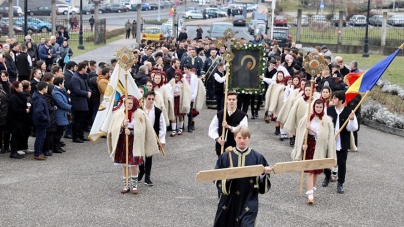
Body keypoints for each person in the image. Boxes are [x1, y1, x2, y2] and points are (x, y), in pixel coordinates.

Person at [214, 126, 272, 227]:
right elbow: (215, 176)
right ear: (235, 138)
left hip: (249, 197)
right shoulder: (226, 156)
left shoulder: (257, 157)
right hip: (229, 199)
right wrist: (227, 179)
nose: (242, 141)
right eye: (239, 138)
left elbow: (264, 180)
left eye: (245, 138)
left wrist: (263, 174)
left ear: (249, 139)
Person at [107, 95, 159, 194]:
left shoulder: (140, 114)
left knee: (133, 164)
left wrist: (131, 132)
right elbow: (113, 128)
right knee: (124, 165)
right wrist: (122, 125)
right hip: (123, 140)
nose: (128, 105)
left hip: (134, 141)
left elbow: (143, 130)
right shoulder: (119, 114)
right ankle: (126, 185)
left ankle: (134, 186)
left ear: (134, 103)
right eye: (126, 103)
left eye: (130, 103)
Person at [291, 99, 336, 204]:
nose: (318, 109)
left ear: (323, 108)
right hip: (309, 145)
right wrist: (303, 143)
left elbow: (325, 137)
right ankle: (310, 194)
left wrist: (312, 129)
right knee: (310, 170)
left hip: (319, 147)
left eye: (320, 107)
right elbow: (301, 132)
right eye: (317, 107)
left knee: (316, 171)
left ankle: (313, 188)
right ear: (314, 107)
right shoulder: (308, 118)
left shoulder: (326, 120)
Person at [322, 91, 358, 194]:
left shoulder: (349, 112)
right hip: (330, 139)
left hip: (342, 141)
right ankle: (327, 177)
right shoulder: (328, 110)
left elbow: (353, 128)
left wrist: (351, 120)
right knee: (327, 160)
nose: (332, 100)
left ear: (341, 100)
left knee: (342, 163)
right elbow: (323, 124)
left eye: (335, 98)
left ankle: (340, 183)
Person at [138, 91, 167, 186]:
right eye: (149, 99)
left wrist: (162, 140)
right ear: (144, 99)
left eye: (152, 99)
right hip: (141, 136)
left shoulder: (158, 111)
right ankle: (142, 170)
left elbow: (162, 126)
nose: (150, 101)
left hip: (152, 137)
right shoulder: (140, 110)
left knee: (149, 156)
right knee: (140, 155)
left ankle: (147, 177)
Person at [209, 91, 248, 157]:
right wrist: (218, 139)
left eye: (233, 99)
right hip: (222, 146)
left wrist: (229, 127)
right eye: (229, 99)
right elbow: (212, 129)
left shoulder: (242, 115)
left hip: (236, 146)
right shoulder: (220, 114)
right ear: (226, 100)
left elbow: (244, 131)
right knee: (222, 165)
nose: (231, 101)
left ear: (236, 100)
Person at [8, 81, 30, 159]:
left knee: (18, 135)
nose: (22, 88)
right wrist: (24, 110)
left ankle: (16, 150)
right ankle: (13, 152)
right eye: (20, 87)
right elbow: (14, 110)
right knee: (15, 136)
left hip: (21, 119)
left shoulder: (20, 95)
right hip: (15, 120)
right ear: (16, 88)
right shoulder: (13, 97)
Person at [70, 62, 91, 143]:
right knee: (78, 120)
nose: (86, 69)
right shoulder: (75, 78)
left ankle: (81, 135)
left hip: (84, 101)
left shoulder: (83, 77)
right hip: (78, 102)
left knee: (82, 120)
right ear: (82, 69)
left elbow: (87, 87)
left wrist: (89, 91)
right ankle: (76, 137)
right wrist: (87, 93)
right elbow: (77, 90)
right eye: (86, 68)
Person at [168, 69, 191, 136]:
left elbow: (187, 91)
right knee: (173, 115)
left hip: (181, 100)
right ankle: (174, 130)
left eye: (178, 76)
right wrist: (173, 94)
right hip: (173, 100)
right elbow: (168, 89)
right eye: (176, 76)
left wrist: (179, 94)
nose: (177, 77)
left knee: (180, 114)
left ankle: (180, 128)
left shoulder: (183, 81)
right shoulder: (172, 81)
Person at [31, 82, 50, 160]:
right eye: (46, 87)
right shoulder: (40, 99)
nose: (47, 89)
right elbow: (39, 113)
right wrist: (46, 118)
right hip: (41, 122)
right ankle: (37, 153)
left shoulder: (39, 97)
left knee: (42, 137)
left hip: (40, 122)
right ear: (43, 88)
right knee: (40, 137)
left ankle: (39, 152)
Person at [53, 77, 71, 154]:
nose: (64, 84)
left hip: (62, 113)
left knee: (60, 132)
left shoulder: (60, 91)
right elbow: (61, 103)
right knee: (58, 132)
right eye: (63, 83)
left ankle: (58, 146)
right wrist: (70, 106)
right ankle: (55, 147)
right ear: (59, 84)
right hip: (59, 114)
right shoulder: (56, 93)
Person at [42, 84, 58, 156]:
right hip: (49, 118)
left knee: (50, 135)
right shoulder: (47, 98)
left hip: (51, 118)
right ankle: (46, 150)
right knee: (48, 135)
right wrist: (54, 108)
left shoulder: (49, 97)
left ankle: (48, 149)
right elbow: (49, 109)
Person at [0, 82, 10, 154]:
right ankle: (6, 147)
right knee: (6, 132)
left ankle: (1, 148)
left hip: (3, 116)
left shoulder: (2, 95)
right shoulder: (4, 94)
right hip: (5, 116)